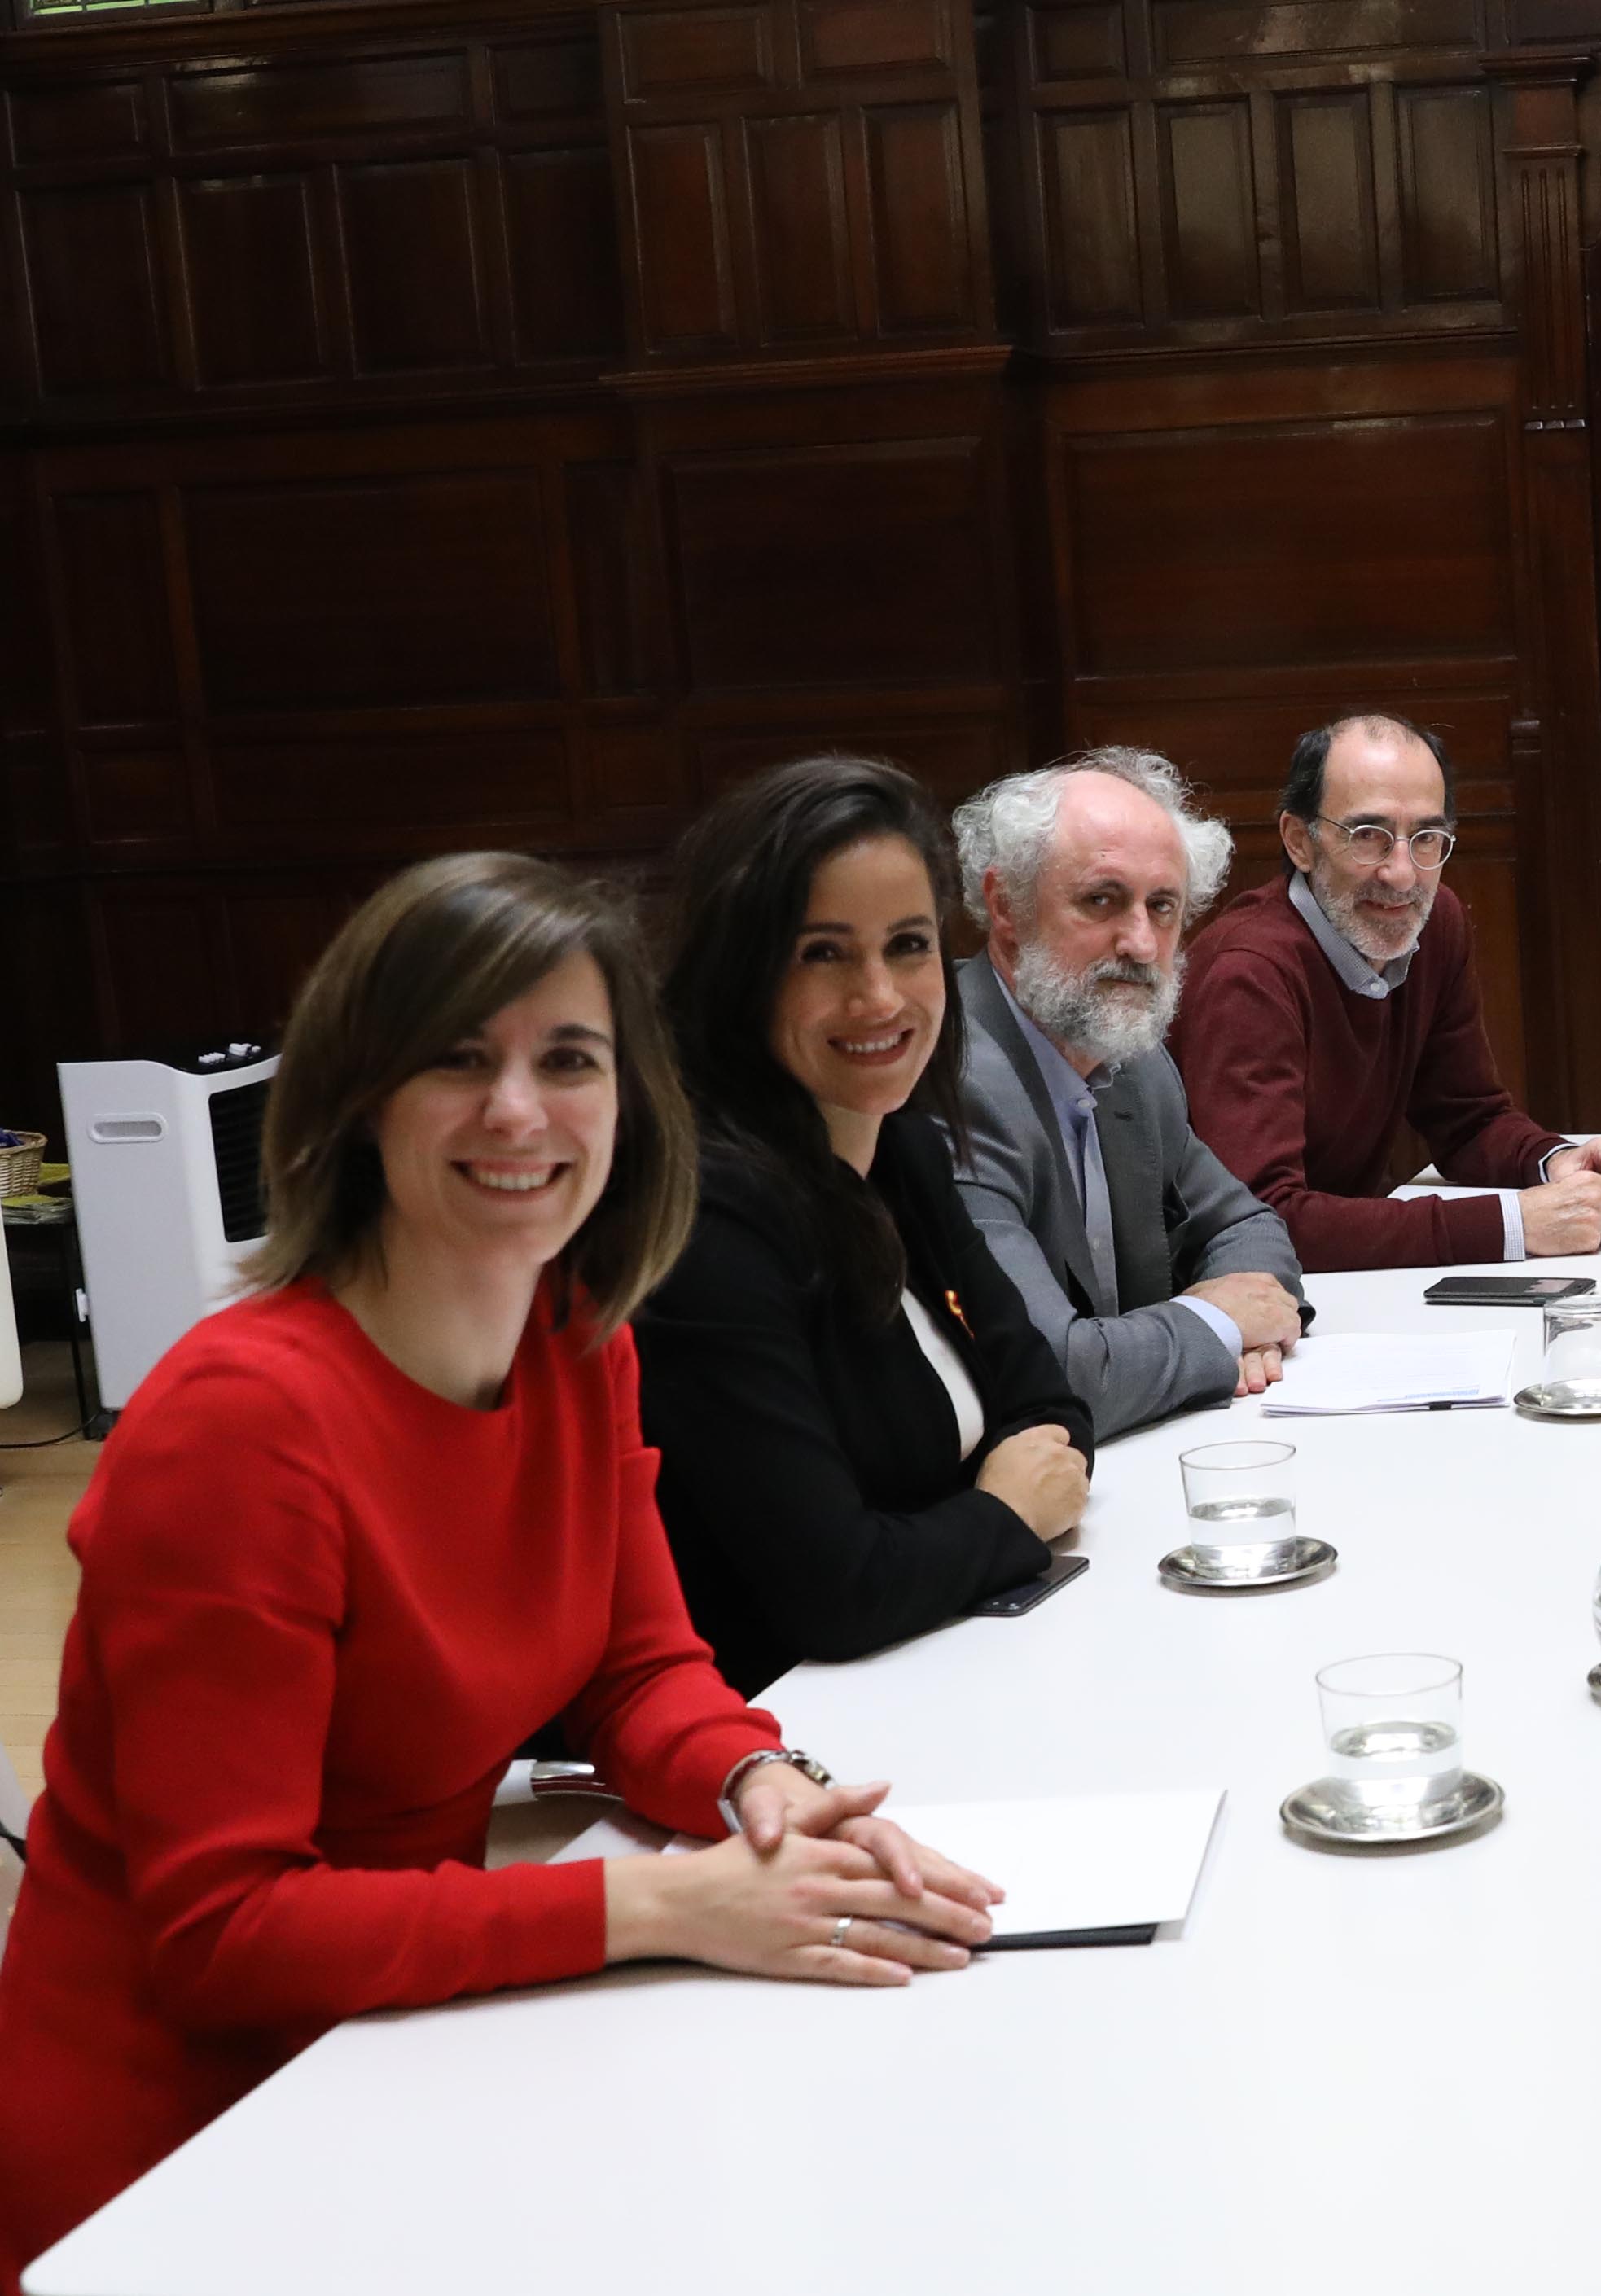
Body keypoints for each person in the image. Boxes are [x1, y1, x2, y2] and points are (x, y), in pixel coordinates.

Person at [0, 855, 997, 2289]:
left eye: (569, 1059)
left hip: (409, 2043)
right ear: (359, 1099)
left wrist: (760, 1790)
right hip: (186, 2157)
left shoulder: (576, 1335)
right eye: (459, 1059)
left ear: (627, 1102)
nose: (520, 1110)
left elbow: (636, 1665)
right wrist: (658, 1909)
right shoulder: (242, 1425)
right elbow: (226, 1932)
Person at [640, 756, 1094, 1697]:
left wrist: (956, 1533)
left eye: (908, 946)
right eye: (824, 953)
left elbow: (1051, 1404)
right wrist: (1003, 1516)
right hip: (791, 1732)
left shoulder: (903, 1151)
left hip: (946, 1667)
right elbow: (836, 1591)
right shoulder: (706, 1231)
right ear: (743, 974)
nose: (880, 997)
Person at [1173, 712, 1601, 1272]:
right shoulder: (1248, 973)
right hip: (1236, 1303)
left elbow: (1467, 1120)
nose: (1401, 874)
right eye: (1367, 837)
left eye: (1427, 838)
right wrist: (1512, 1224)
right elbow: (1261, 1221)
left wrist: (1553, 1160)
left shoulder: (1432, 923)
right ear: (1300, 841)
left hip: (1346, 1286)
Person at [948, 750, 1309, 1437]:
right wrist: (1216, 1325)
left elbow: (1250, 1227)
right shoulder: (954, 1081)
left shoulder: (1132, 1058)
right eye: (1102, 900)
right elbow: (1048, 1372)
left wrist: (1237, 1326)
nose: (1142, 944)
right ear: (1005, 907)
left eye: (1163, 906)